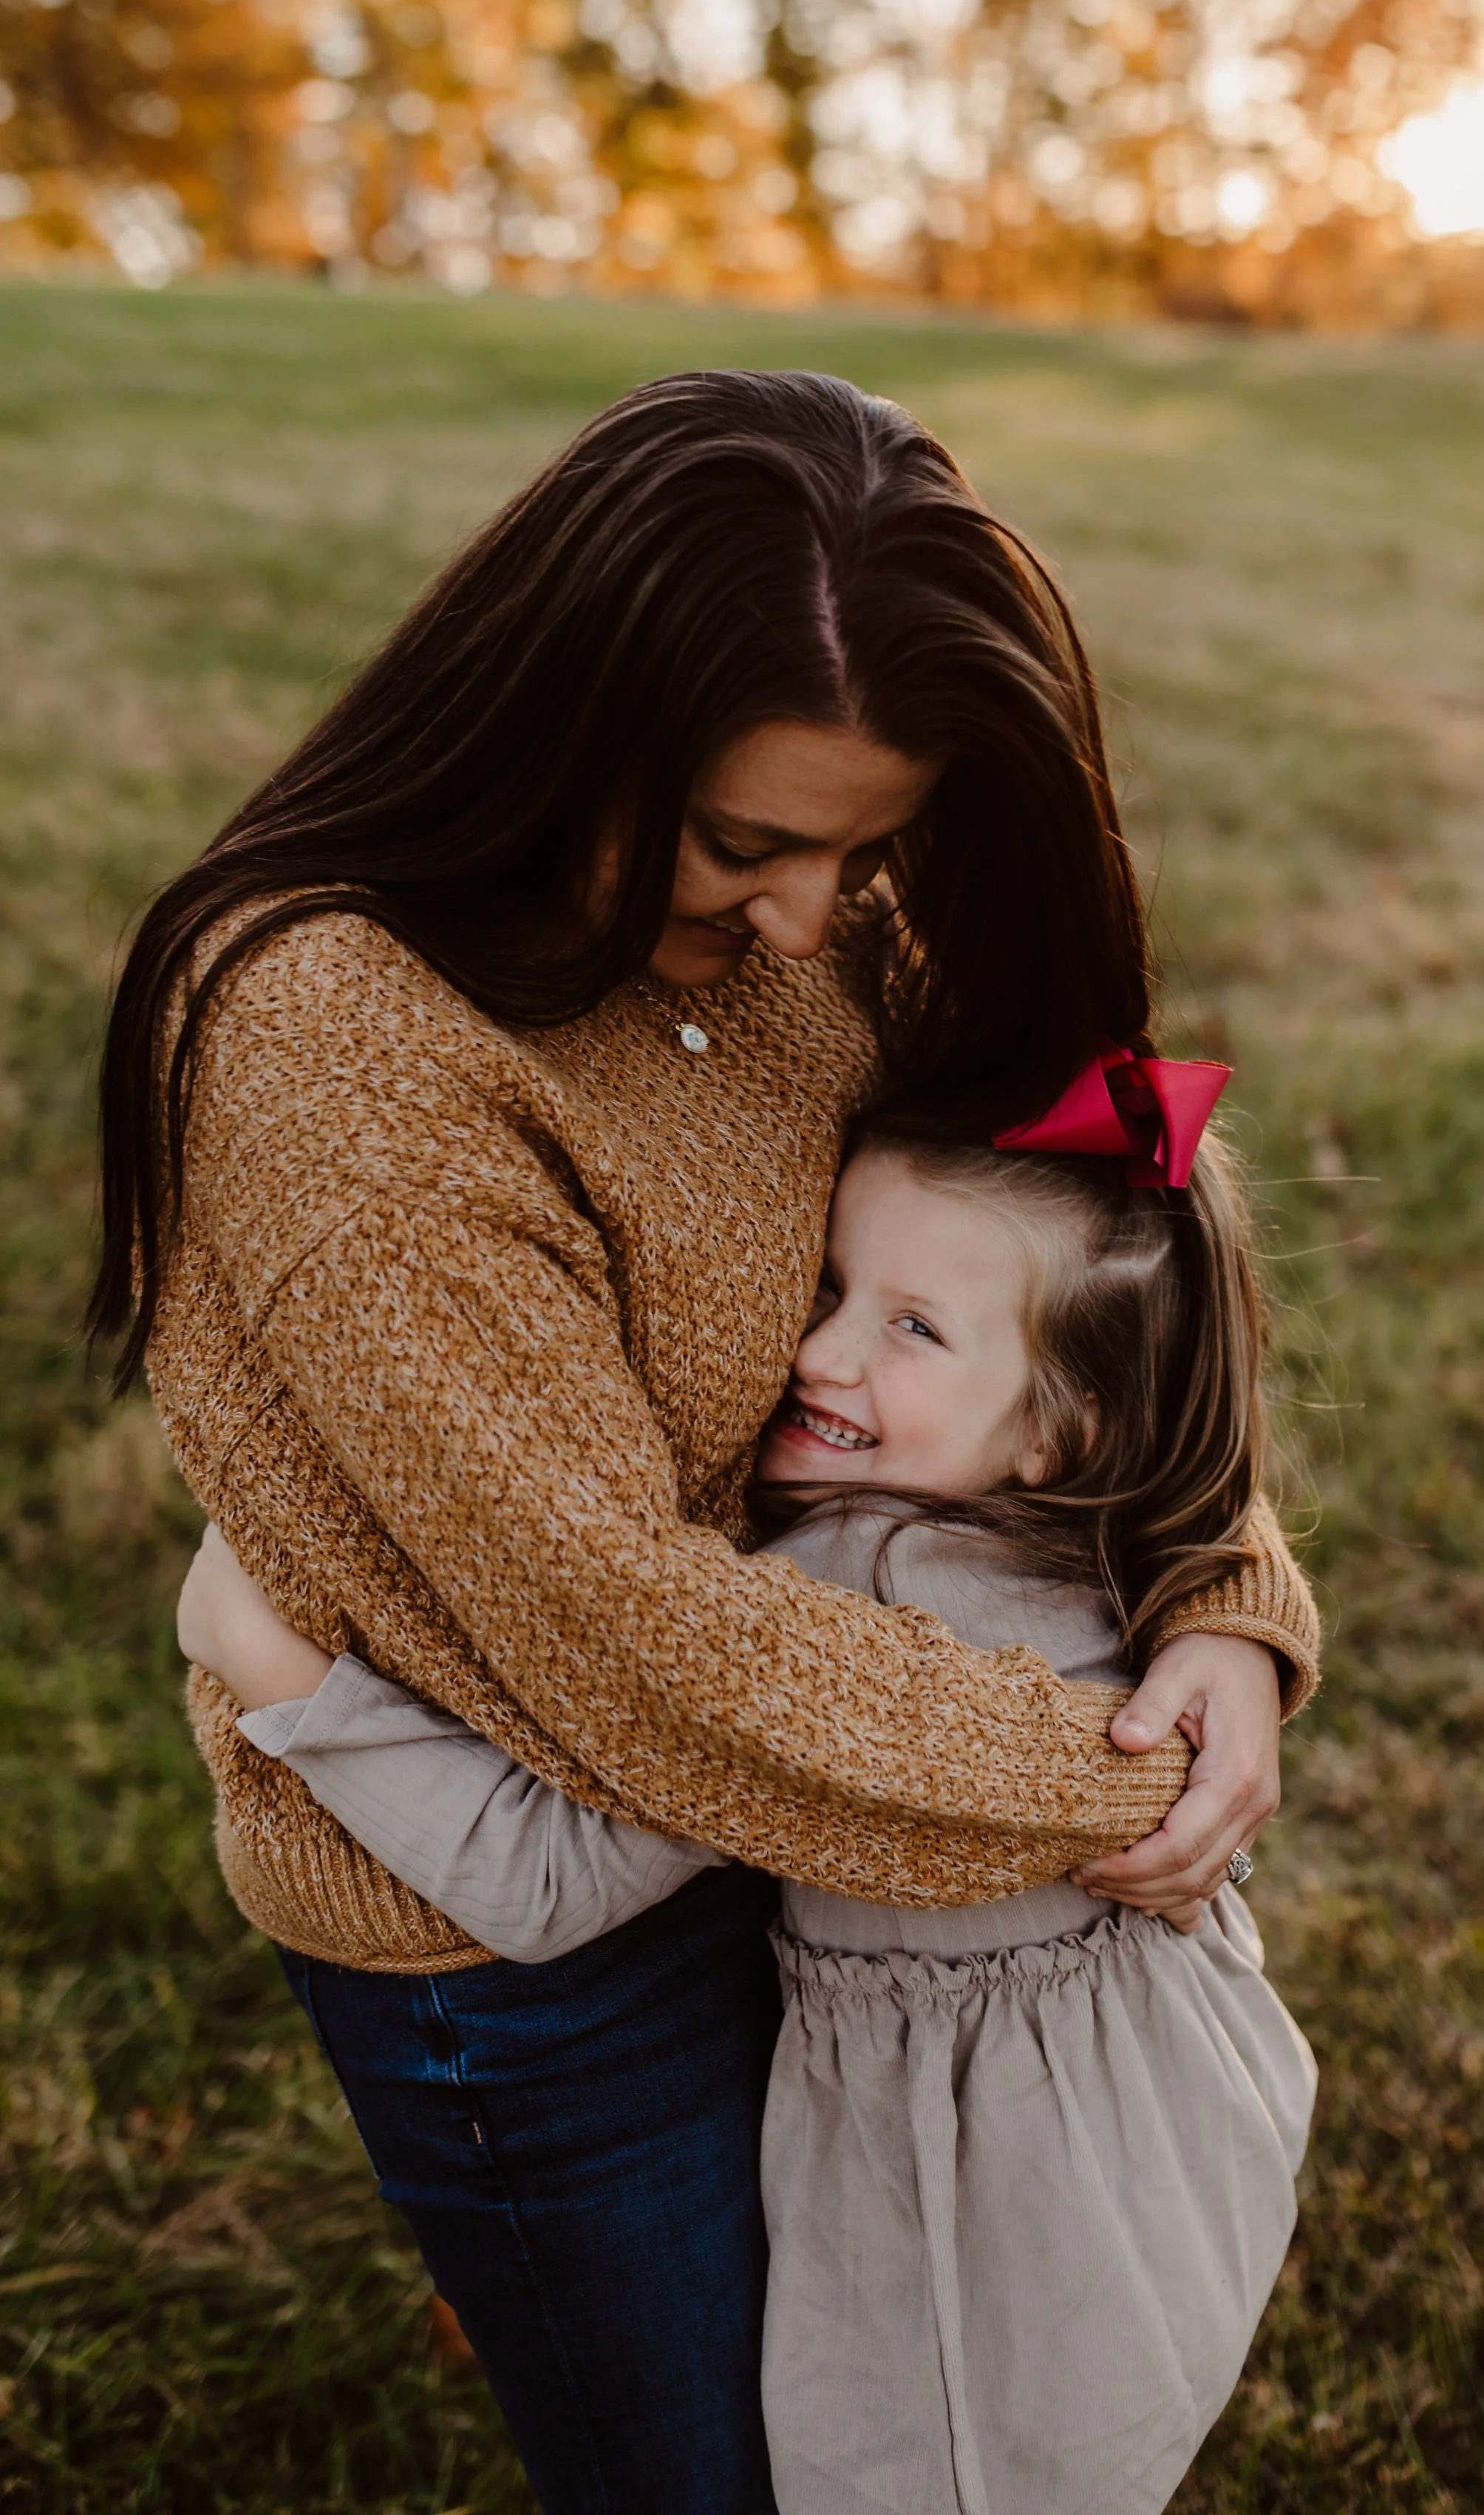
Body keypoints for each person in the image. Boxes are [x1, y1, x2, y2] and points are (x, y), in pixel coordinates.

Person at [89, 370, 1321, 2514]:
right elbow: (627, 1646)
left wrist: (1221, 1595)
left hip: (806, 1844)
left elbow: (1091, 1246)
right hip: (519, 1921)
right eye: (747, 844)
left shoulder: (796, 924)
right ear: (560, 726)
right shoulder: (341, 1055)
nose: (810, 921)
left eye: (870, 848)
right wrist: (1113, 1767)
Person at [180, 1079, 1318, 2515]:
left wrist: (282, 1670)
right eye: (830, 1283)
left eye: (911, 1327)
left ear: (1059, 1430)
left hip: (972, 2192)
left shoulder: (838, 1601)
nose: (818, 1350)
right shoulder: (1102, 1526)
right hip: (1162, 2100)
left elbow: (547, 1881)